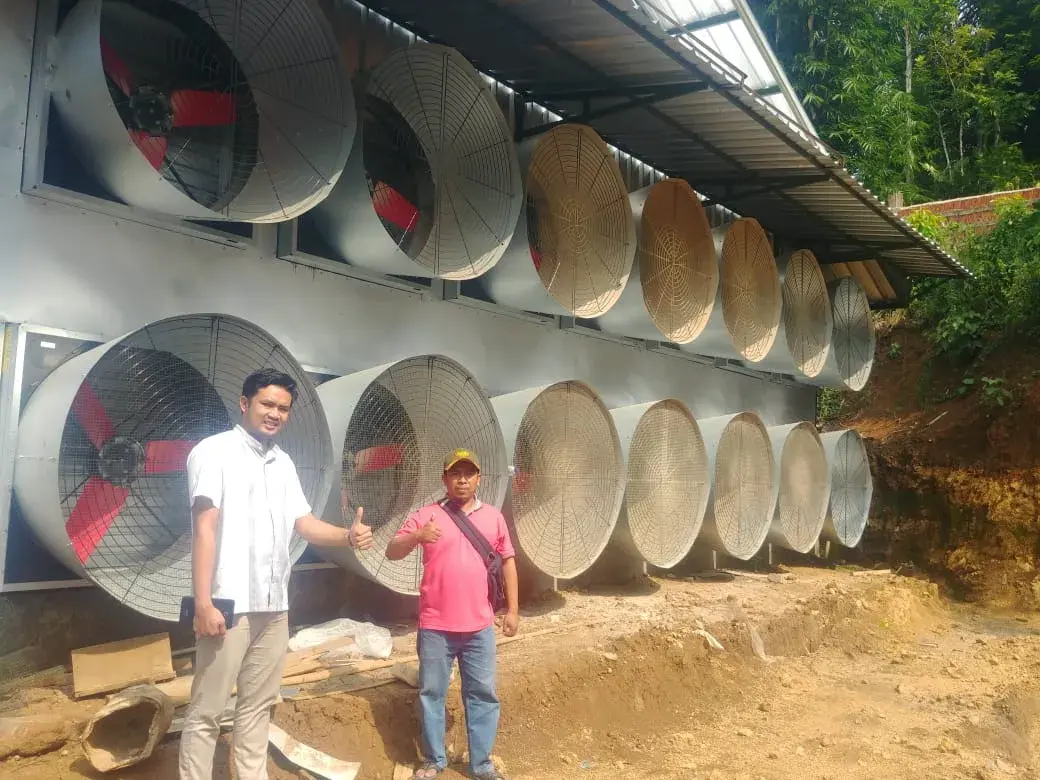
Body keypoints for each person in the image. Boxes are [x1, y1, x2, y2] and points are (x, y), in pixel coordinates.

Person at [179, 368, 374, 780]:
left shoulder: (282, 462)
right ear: (245, 403)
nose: (275, 414)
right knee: (207, 711)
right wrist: (203, 602)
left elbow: (302, 523)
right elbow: (204, 528)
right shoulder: (213, 452)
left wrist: (347, 536)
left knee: (258, 706)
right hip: (227, 605)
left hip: (274, 608)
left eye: (283, 408)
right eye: (267, 404)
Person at [386, 449, 519, 780]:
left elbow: (508, 562)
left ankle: (482, 765)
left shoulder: (494, 517)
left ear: (478, 479)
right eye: (455, 473)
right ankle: (433, 760)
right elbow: (391, 551)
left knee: (483, 695)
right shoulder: (426, 515)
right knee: (432, 693)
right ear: (444, 479)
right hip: (435, 626)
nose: (462, 479)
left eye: (468, 473)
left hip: (479, 627)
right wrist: (418, 535)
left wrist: (513, 610)